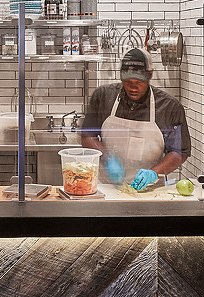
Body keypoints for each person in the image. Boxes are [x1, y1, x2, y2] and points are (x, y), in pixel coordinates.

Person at [80, 48, 191, 190]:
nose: (133, 87)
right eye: (128, 82)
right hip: (107, 188)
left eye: (139, 82)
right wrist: (107, 158)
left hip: (150, 190)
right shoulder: (103, 97)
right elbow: (87, 135)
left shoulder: (169, 107)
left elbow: (179, 152)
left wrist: (153, 173)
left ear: (150, 75)